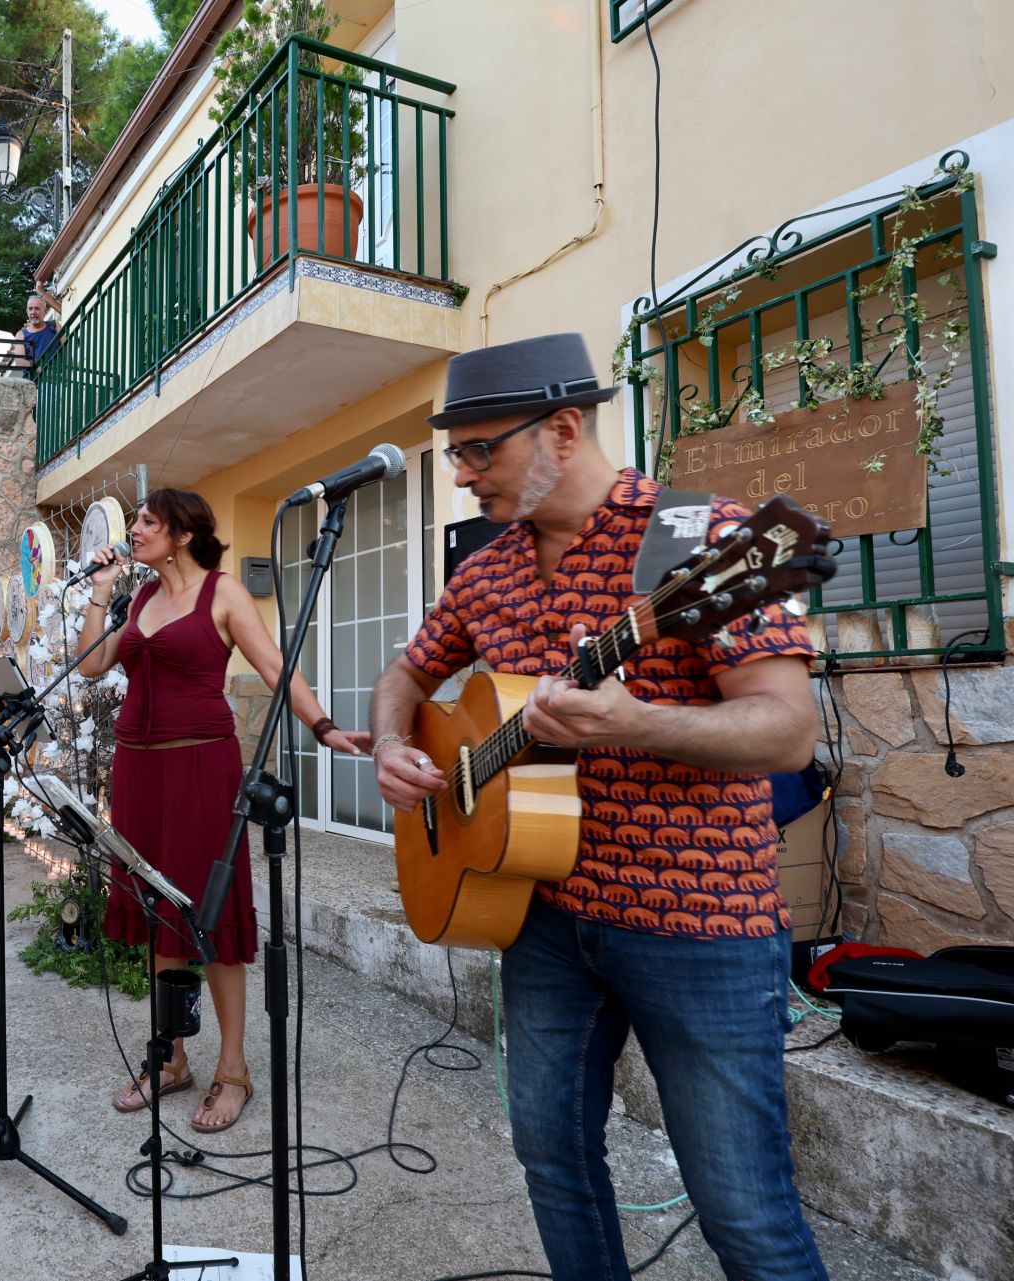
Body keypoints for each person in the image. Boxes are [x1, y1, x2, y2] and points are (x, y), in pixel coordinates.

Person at [371, 332, 825, 1281]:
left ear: (564, 429)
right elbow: (403, 674)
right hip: (540, 912)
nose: (461, 478)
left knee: (742, 1211)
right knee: (552, 1159)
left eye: (478, 450)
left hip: (696, 917)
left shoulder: (696, 533)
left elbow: (787, 731)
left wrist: (634, 722)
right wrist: (391, 744)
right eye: (456, 453)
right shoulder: (487, 570)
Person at [77, 489, 367, 1132]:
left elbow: (276, 668)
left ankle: (232, 1069)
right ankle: (172, 1057)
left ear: (183, 533)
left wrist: (323, 727)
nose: (134, 530)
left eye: (147, 521)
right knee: (159, 916)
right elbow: (94, 665)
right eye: (134, 522)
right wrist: (101, 592)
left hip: (202, 769)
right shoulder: (142, 597)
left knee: (210, 918)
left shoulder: (223, 593)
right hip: (138, 771)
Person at [9, 281, 61, 378]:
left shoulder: (55, 326)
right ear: (27, 312)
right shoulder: (21, 334)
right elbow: (19, 360)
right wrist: (39, 369)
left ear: (45, 311)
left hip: (57, 379)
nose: (33, 312)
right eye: (30, 309)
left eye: (37, 308)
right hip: (34, 382)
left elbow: (68, 349)